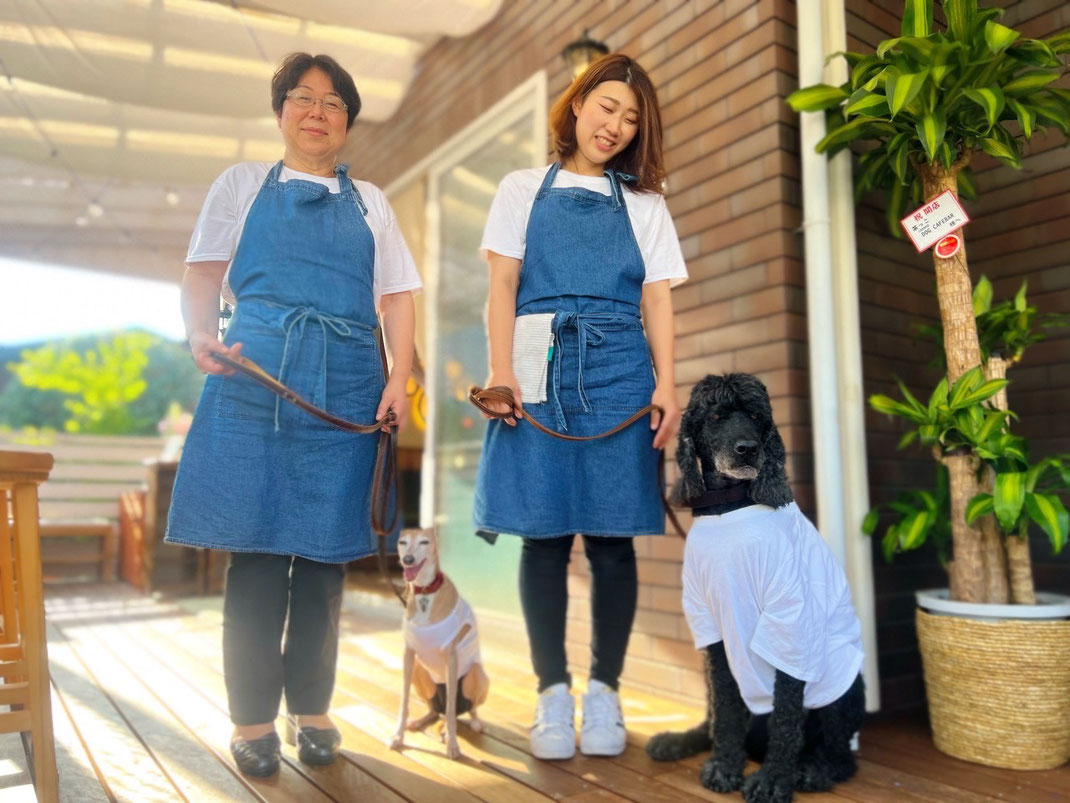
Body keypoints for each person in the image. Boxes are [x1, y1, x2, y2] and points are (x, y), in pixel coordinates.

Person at [166, 52, 421, 777]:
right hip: (255, 375)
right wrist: (197, 334)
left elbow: (398, 296)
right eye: (304, 98)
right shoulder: (242, 184)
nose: (318, 111)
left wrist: (399, 377)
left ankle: (312, 710)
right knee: (254, 554)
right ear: (280, 112)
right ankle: (251, 721)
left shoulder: (371, 199)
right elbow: (202, 271)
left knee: (323, 559)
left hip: (346, 380)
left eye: (334, 102)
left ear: (347, 121)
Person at [473, 53, 687, 760]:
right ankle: (550, 692)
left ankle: (605, 689)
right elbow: (502, 284)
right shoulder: (520, 187)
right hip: (535, 359)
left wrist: (667, 382)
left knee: (610, 537)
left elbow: (656, 296)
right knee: (541, 533)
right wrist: (502, 371)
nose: (616, 126)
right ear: (576, 104)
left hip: (622, 366)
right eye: (607, 108)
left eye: (631, 119)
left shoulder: (647, 206)